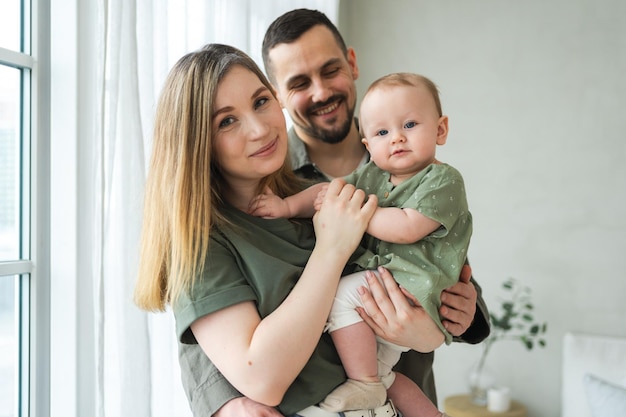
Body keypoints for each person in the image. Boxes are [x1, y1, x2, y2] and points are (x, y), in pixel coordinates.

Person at [177, 8, 490, 417]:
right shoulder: (264, 176)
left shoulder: (407, 157)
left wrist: (461, 317)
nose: (322, 92)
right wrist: (222, 401)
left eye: (330, 70)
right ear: (280, 93)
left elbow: (448, 264)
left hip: (404, 387)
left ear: (352, 64)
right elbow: (210, 309)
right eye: (300, 83)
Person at [134, 43, 433, 417]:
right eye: (227, 121)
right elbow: (261, 379)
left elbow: (418, 274)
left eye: (260, 101)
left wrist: (430, 332)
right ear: (197, 143)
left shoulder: (318, 193)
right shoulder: (203, 244)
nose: (260, 129)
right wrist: (331, 250)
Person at [249, 72, 469, 417]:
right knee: (388, 375)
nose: (396, 138)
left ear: (440, 129)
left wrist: (353, 213)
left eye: (409, 125)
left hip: (414, 290)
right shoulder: (372, 176)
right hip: (390, 291)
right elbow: (328, 193)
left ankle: (363, 381)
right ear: (369, 145)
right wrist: (287, 207)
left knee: (337, 296)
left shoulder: (443, 179)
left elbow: (409, 227)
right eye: (382, 132)